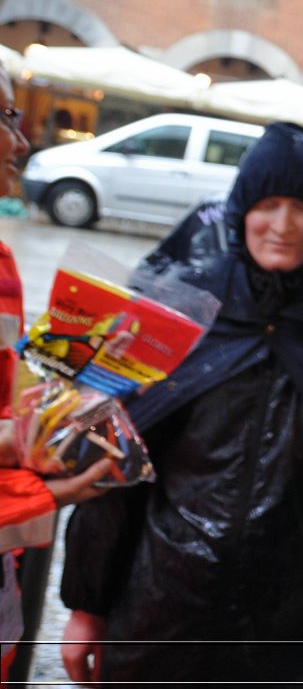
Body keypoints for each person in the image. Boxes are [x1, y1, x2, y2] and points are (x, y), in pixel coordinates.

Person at [60, 121, 303, 685]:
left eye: (301, 208)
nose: (282, 225)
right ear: (241, 208)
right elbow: (114, 467)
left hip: (301, 625)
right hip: (163, 613)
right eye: (268, 203)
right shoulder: (178, 307)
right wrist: (87, 606)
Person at [0, 67, 114, 682]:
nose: (21, 142)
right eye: (4, 118)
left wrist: (72, 362)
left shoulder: (4, 263)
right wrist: (43, 477)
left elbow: (12, 395)